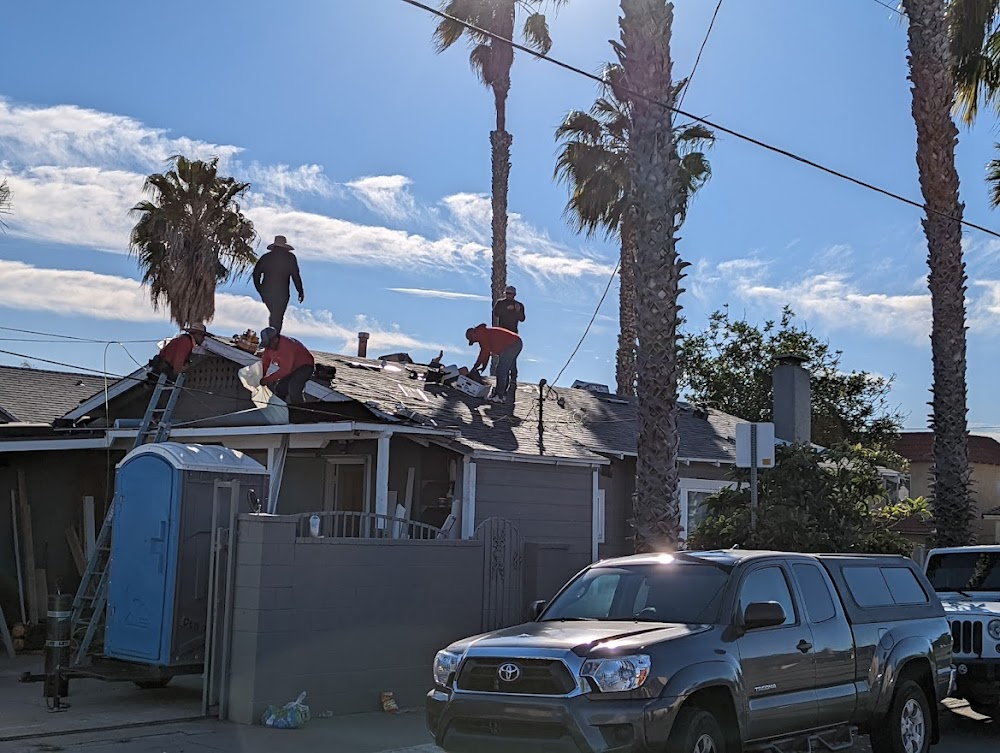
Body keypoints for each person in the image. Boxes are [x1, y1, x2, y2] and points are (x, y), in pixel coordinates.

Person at [253, 235, 305, 334]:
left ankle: (272, 337)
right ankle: (274, 338)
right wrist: (300, 291)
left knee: (274, 315)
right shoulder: (290, 258)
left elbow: (256, 273)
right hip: (282, 292)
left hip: (267, 291)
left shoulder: (266, 257)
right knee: (277, 316)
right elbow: (295, 276)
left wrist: (259, 288)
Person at [466, 323, 522, 403]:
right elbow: (486, 353)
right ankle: (501, 394)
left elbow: (484, 353)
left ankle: (499, 396)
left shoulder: (481, 335)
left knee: (501, 370)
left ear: (473, 335)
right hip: (516, 342)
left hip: (512, 344)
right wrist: (483, 366)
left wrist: (475, 367)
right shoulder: (483, 333)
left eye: (473, 340)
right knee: (503, 369)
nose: (475, 342)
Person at [259, 327, 315, 405]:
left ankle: (301, 412)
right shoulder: (269, 348)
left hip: (305, 366)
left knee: (294, 388)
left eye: (269, 343)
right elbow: (265, 363)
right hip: (292, 368)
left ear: (275, 339)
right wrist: (261, 375)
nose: (268, 347)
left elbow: (285, 370)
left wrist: (267, 379)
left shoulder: (286, 345)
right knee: (280, 388)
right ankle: (278, 409)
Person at [492, 285, 525, 381]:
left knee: (512, 355)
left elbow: (522, 318)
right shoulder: (501, 303)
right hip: (501, 333)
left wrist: (517, 311)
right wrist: (507, 309)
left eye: (510, 294)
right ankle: (503, 376)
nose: (508, 295)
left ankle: (513, 376)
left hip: (513, 334)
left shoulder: (519, 305)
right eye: (506, 293)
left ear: (514, 295)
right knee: (502, 354)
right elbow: (496, 313)